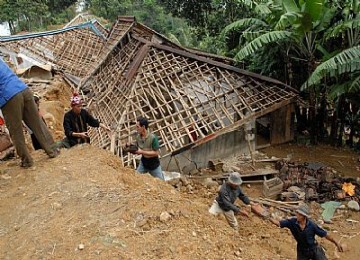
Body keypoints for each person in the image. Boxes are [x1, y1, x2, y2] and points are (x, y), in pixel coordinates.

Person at [0, 58, 58, 168]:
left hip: (9, 96)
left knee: (16, 130)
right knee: (37, 123)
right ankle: (53, 150)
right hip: (23, 89)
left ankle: (27, 161)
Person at [268, 204, 343, 260]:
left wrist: (336, 243)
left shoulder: (312, 225)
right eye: (297, 213)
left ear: (304, 216)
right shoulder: (292, 222)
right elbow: (279, 223)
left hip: (314, 249)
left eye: (300, 214)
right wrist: (268, 217)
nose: (297, 216)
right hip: (302, 250)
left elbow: (325, 235)